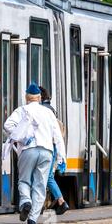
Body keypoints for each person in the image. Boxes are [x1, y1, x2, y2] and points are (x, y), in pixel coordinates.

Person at [4, 83, 66, 224]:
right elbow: (58, 136)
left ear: (27, 98)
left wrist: (23, 137)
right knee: (40, 184)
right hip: (46, 152)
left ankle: (26, 201)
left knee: (24, 181)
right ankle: (32, 219)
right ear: (39, 98)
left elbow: (8, 125)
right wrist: (61, 157)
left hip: (28, 150)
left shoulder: (21, 110)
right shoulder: (49, 113)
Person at [39, 86, 69, 215]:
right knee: (47, 176)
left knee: (44, 177)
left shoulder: (43, 110)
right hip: (53, 148)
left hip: (47, 147)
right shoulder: (51, 110)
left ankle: (59, 202)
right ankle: (60, 202)